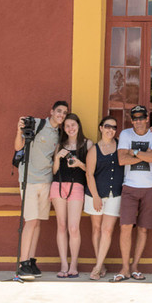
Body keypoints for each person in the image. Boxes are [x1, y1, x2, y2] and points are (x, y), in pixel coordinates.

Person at [15, 100, 69, 280]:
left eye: (64, 113)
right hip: (29, 180)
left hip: (46, 181)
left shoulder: (58, 133)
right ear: (52, 111)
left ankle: (30, 260)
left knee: (37, 222)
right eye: (59, 111)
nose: (61, 115)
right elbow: (18, 147)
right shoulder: (39, 124)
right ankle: (22, 264)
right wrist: (19, 130)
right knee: (30, 221)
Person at [114, 105, 152, 281]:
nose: (139, 121)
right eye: (135, 118)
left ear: (147, 118)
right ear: (131, 120)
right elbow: (121, 159)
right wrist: (144, 154)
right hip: (130, 186)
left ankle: (135, 266)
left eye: (142, 118)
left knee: (142, 229)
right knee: (125, 227)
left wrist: (133, 152)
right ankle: (125, 267)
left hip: (151, 186)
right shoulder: (126, 134)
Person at [50, 113, 91, 277]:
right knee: (61, 225)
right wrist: (58, 159)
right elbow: (53, 172)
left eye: (73, 125)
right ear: (63, 128)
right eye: (67, 126)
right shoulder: (59, 144)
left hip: (77, 186)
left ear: (78, 126)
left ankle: (74, 264)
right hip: (58, 185)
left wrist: (79, 163)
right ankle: (64, 265)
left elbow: (91, 170)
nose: (70, 128)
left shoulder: (87, 144)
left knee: (73, 227)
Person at [84, 116, 123, 280]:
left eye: (114, 127)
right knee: (97, 229)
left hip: (115, 194)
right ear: (101, 128)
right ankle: (101, 263)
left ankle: (97, 267)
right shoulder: (94, 149)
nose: (111, 130)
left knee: (108, 230)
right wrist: (95, 196)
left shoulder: (121, 145)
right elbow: (89, 174)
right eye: (107, 126)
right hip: (96, 194)